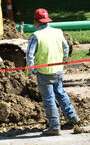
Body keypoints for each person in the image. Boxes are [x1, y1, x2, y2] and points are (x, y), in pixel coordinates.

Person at [25, 8, 80, 136]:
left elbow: (29, 55)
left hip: (44, 72)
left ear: (36, 22)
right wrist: (62, 60)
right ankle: (73, 118)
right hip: (58, 70)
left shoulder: (36, 36)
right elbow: (66, 48)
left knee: (48, 98)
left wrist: (32, 70)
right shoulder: (58, 32)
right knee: (61, 93)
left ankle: (54, 126)